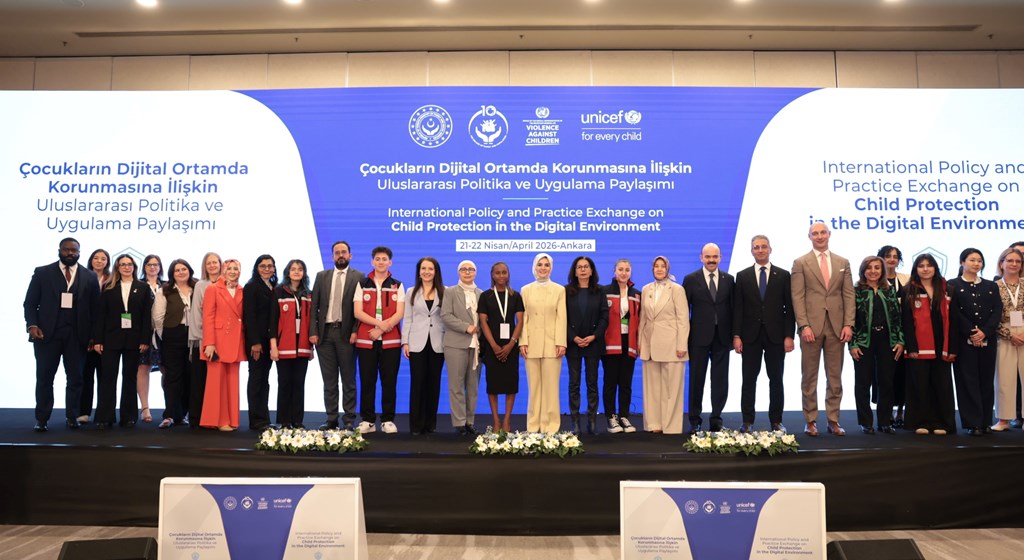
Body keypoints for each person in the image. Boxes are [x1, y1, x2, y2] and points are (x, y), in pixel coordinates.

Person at [24, 237, 100, 431]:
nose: (70, 253)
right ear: (59, 250)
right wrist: (32, 325)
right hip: (46, 334)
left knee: (76, 378)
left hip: (77, 335)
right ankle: (42, 419)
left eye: (74, 250)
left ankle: (72, 416)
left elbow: (95, 309)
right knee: (44, 378)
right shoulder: (42, 273)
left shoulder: (90, 276)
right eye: (66, 249)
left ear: (79, 252)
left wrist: (93, 336)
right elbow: (30, 303)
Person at [791, 222, 855, 437]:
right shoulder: (800, 262)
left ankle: (833, 420)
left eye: (823, 233)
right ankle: (810, 420)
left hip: (837, 327)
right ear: (809, 236)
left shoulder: (843, 262)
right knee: (809, 377)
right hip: (811, 327)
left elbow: (848, 295)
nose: (819, 236)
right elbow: (797, 296)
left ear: (829, 234)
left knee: (835, 377)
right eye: (815, 233)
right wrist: (804, 325)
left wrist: (848, 324)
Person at [732, 235, 794, 433]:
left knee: (776, 379)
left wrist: (789, 335)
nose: (760, 250)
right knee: (748, 380)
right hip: (750, 337)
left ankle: (776, 421)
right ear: (751, 251)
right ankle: (747, 421)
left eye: (763, 247)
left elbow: (789, 308)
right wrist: (736, 335)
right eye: (756, 247)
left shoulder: (783, 275)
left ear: (770, 249)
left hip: (776, 336)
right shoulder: (742, 276)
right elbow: (738, 309)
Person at [309, 241, 365, 430]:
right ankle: (331, 418)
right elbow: (314, 307)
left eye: (344, 252)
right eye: (337, 252)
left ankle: (349, 419)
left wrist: (356, 330)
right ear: (332, 256)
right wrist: (313, 332)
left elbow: (361, 307)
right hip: (324, 335)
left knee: (348, 379)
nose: (340, 255)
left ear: (350, 255)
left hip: (347, 334)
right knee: (329, 380)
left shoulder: (359, 277)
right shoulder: (321, 276)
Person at [901, 253, 958, 435]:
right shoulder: (908, 290)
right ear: (915, 269)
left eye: (929, 265)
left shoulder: (948, 289)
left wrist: (952, 347)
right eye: (921, 266)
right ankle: (921, 422)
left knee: (942, 385)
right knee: (919, 385)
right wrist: (911, 347)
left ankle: (942, 423)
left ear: (935, 267)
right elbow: (905, 322)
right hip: (918, 346)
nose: (925, 269)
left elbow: (954, 321)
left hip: (942, 345)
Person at [93, 255, 152, 429]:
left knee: (129, 377)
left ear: (134, 266)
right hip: (110, 338)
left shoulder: (143, 287)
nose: (126, 267)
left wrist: (145, 339)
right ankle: (105, 416)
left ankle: (129, 416)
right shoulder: (108, 287)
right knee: (108, 377)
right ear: (117, 268)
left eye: (129, 264)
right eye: (123, 265)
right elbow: (101, 315)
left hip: (134, 339)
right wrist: (98, 340)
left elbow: (146, 316)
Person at [849, 256, 904, 434]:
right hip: (863, 341)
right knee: (863, 382)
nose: (873, 271)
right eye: (869, 268)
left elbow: (897, 317)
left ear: (882, 271)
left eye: (877, 268)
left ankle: (885, 421)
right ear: (863, 270)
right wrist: (852, 344)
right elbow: (850, 319)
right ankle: (866, 422)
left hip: (887, 341)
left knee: (886, 382)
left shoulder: (889, 290)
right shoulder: (856, 291)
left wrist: (900, 340)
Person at [948, 248, 1001, 436]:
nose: (976, 263)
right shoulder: (952, 285)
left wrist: (984, 332)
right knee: (967, 381)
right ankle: (973, 423)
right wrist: (973, 333)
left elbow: (997, 310)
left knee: (986, 380)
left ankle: (985, 421)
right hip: (964, 341)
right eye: (972, 260)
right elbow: (954, 312)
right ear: (962, 262)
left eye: (979, 260)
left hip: (988, 339)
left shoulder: (991, 285)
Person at [353, 246, 405, 434]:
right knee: (367, 381)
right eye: (377, 259)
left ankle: (387, 420)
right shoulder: (362, 284)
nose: (381, 262)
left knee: (389, 381)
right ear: (372, 262)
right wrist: (378, 325)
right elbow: (357, 312)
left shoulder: (397, 285)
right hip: (366, 340)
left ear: (390, 262)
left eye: (384, 259)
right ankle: (368, 420)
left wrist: (382, 328)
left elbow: (400, 312)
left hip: (391, 341)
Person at [683, 243, 734, 434]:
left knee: (720, 381)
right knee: (696, 380)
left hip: (722, 338)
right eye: (708, 256)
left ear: (720, 258)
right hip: (698, 338)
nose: (711, 260)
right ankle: (694, 420)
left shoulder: (729, 279)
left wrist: (735, 335)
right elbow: (683, 311)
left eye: (715, 256)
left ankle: (716, 419)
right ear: (701, 258)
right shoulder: (690, 279)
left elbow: (734, 309)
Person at [638, 255, 690, 434]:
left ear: (668, 269)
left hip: (672, 345)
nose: (659, 269)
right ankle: (654, 424)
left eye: (662, 266)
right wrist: (640, 343)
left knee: (671, 388)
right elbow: (643, 318)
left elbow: (683, 319)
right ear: (652, 269)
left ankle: (671, 426)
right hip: (649, 344)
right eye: (656, 266)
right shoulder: (646, 289)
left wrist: (682, 345)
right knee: (652, 388)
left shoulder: (677, 289)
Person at [520, 253, 567, 433]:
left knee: (551, 388)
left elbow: (562, 318)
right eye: (540, 264)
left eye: (546, 265)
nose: (543, 268)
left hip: (552, 344)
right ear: (534, 267)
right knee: (534, 387)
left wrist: (561, 342)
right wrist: (523, 341)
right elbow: (523, 318)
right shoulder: (525, 290)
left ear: (551, 268)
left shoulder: (559, 290)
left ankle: (551, 427)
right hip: (531, 344)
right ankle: (533, 426)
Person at [200, 259, 246, 431]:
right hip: (217, 341)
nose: (233, 271)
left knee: (232, 381)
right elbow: (208, 317)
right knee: (216, 382)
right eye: (229, 268)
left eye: (236, 269)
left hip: (236, 340)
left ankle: (232, 419)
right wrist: (209, 343)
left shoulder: (242, 290)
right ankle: (218, 420)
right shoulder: (213, 289)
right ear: (223, 271)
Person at [401, 257, 446, 435]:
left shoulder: (445, 291)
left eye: (430, 269)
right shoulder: (411, 292)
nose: (427, 272)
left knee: (434, 384)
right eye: (423, 268)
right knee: (417, 383)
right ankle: (416, 425)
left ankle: (430, 424)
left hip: (438, 343)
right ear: (419, 272)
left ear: (436, 272)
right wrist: (405, 342)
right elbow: (408, 319)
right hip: (416, 342)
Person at [564, 255, 608, 435]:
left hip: (593, 343)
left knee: (592, 383)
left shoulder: (600, 291)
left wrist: (594, 336)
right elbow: (562, 318)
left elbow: (604, 317)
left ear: (591, 271)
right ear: (574, 271)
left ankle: (592, 421)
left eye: (586, 266)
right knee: (574, 384)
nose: (582, 270)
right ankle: (575, 422)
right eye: (579, 267)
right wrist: (573, 337)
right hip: (573, 343)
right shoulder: (566, 291)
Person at [479, 262, 524, 433]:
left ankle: (507, 421)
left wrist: (511, 344)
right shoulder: (485, 296)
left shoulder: (515, 296)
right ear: (492, 275)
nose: (501, 275)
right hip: (492, 347)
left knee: (510, 385)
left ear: (508, 274)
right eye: (497, 272)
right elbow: (483, 321)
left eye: (504, 272)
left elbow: (520, 321)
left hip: (511, 346)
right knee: (493, 385)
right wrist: (494, 345)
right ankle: (496, 421)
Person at [269, 259, 314, 429]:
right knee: (284, 384)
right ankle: (284, 421)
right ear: (288, 272)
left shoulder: (308, 294)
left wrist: (311, 348)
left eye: (300, 269)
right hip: (283, 347)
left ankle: (298, 421)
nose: (296, 272)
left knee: (299, 384)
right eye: (293, 269)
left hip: (303, 347)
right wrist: (274, 346)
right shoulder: (278, 292)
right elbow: (273, 321)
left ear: (304, 273)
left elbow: (311, 322)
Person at [152, 258, 196, 429]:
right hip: (172, 335)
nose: (181, 272)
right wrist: (166, 335)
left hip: (194, 336)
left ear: (189, 270)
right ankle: (169, 414)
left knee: (190, 375)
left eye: (184, 269)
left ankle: (183, 414)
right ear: (172, 274)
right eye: (177, 270)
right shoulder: (164, 290)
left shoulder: (197, 287)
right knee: (172, 376)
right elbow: (158, 317)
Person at [442, 260, 484, 435]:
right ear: (458, 272)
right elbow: (445, 315)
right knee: (456, 385)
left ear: (475, 272)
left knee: (473, 386)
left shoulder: (481, 294)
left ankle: (470, 421)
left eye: (471, 269)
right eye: (463, 269)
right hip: (455, 344)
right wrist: (466, 327)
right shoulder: (450, 292)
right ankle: (459, 422)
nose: (467, 272)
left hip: (476, 345)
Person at [601, 259, 641, 434]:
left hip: (629, 342)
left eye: (627, 270)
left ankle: (624, 416)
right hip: (610, 343)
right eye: (621, 269)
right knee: (610, 382)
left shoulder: (637, 294)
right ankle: (611, 417)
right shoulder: (604, 291)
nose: (624, 273)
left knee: (626, 382)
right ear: (614, 271)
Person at [187, 252, 221, 431]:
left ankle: (215, 417)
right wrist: (206, 339)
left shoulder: (227, 284)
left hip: (223, 341)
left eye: (215, 262)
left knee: (216, 383)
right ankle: (196, 418)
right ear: (204, 266)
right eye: (209, 263)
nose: (213, 265)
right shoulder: (201, 285)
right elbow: (198, 314)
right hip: (203, 341)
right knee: (199, 380)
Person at [878, 245, 911, 428]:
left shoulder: (906, 279)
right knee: (885, 375)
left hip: (903, 331)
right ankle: (887, 411)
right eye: (887, 256)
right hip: (883, 334)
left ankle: (900, 411)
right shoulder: (875, 280)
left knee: (903, 374)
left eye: (895, 256)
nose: (891, 259)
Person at [243, 254, 277, 431]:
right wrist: (255, 342)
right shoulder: (251, 286)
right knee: (256, 379)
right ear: (257, 268)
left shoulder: (273, 286)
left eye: (270, 266)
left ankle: (264, 419)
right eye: (263, 266)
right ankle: (256, 420)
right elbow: (249, 316)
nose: (267, 269)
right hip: (257, 342)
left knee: (264, 379)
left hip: (269, 341)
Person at [993, 248, 1024, 431]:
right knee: (1003, 378)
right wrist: (1009, 335)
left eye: (1018, 261)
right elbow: (990, 316)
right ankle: (1003, 420)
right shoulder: (993, 286)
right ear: (1001, 263)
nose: (1014, 264)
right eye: (1010, 260)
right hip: (1004, 334)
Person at [78, 248, 110, 425]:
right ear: (91, 260)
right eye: (96, 258)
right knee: (86, 374)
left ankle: (103, 413)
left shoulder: (112, 280)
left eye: (103, 258)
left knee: (105, 377)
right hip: (86, 334)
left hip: (107, 335)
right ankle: (84, 411)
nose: (99, 261)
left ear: (107, 262)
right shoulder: (81, 277)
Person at [137, 254, 164, 424]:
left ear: (160, 267)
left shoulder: (167, 286)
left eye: (156, 264)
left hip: (164, 334)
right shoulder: (138, 285)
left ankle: (170, 407)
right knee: (143, 367)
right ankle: (145, 408)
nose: (152, 267)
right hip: (143, 334)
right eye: (149, 264)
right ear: (144, 267)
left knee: (166, 369)